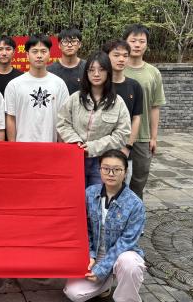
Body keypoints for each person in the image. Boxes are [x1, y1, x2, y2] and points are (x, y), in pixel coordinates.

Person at [63, 149, 146, 302]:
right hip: (96, 255)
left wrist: (102, 269)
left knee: (130, 264)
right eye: (106, 168)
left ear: (125, 172)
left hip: (122, 254)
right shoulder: (89, 194)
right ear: (99, 170)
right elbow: (83, 228)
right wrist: (91, 255)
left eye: (116, 169)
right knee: (73, 293)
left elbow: (127, 241)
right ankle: (105, 284)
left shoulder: (135, 204)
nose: (111, 173)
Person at [57, 51, 131, 187]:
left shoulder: (117, 102)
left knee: (98, 196)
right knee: (77, 195)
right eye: (91, 70)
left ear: (108, 72)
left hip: (103, 162)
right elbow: (63, 122)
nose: (96, 74)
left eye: (101, 70)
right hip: (76, 158)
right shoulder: (75, 98)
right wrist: (76, 142)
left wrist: (93, 147)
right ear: (86, 73)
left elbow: (122, 134)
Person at [123, 24, 166, 199]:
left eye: (141, 41)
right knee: (115, 177)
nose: (137, 45)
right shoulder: (116, 68)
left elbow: (155, 106)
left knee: (139, 179)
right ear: (125, 42)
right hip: (118, 134)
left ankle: (135, 210)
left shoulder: (153, 73)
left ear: (147, 45)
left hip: (143, 136)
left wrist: (153, 137)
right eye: (133, 40)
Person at [5, 34, 70, 142]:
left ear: (49, 54)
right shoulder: (14, 85)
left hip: (50, 147)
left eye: (43, 51)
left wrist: (61, 146)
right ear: (27, 55)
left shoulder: (59, 84)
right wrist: (13, 147)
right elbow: (11, 118)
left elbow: (63, 120)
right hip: (23, 147)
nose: (39, 55)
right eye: (34, 51)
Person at [102, 39, 143, 184]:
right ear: (106, 57)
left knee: (121, 189)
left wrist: (127, 147)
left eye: (125, 56)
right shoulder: (98, 85)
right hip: (99, 151)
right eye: (116, 55)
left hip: (123, 151)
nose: (121, 59)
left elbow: (136, 118)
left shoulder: (134, 86)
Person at [48, 27, 87, 94]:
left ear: (80, 44)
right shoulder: (50, 70)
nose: (69, 45)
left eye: (73, 41)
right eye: (65, 42)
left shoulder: (87, 68)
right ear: (59, 45)